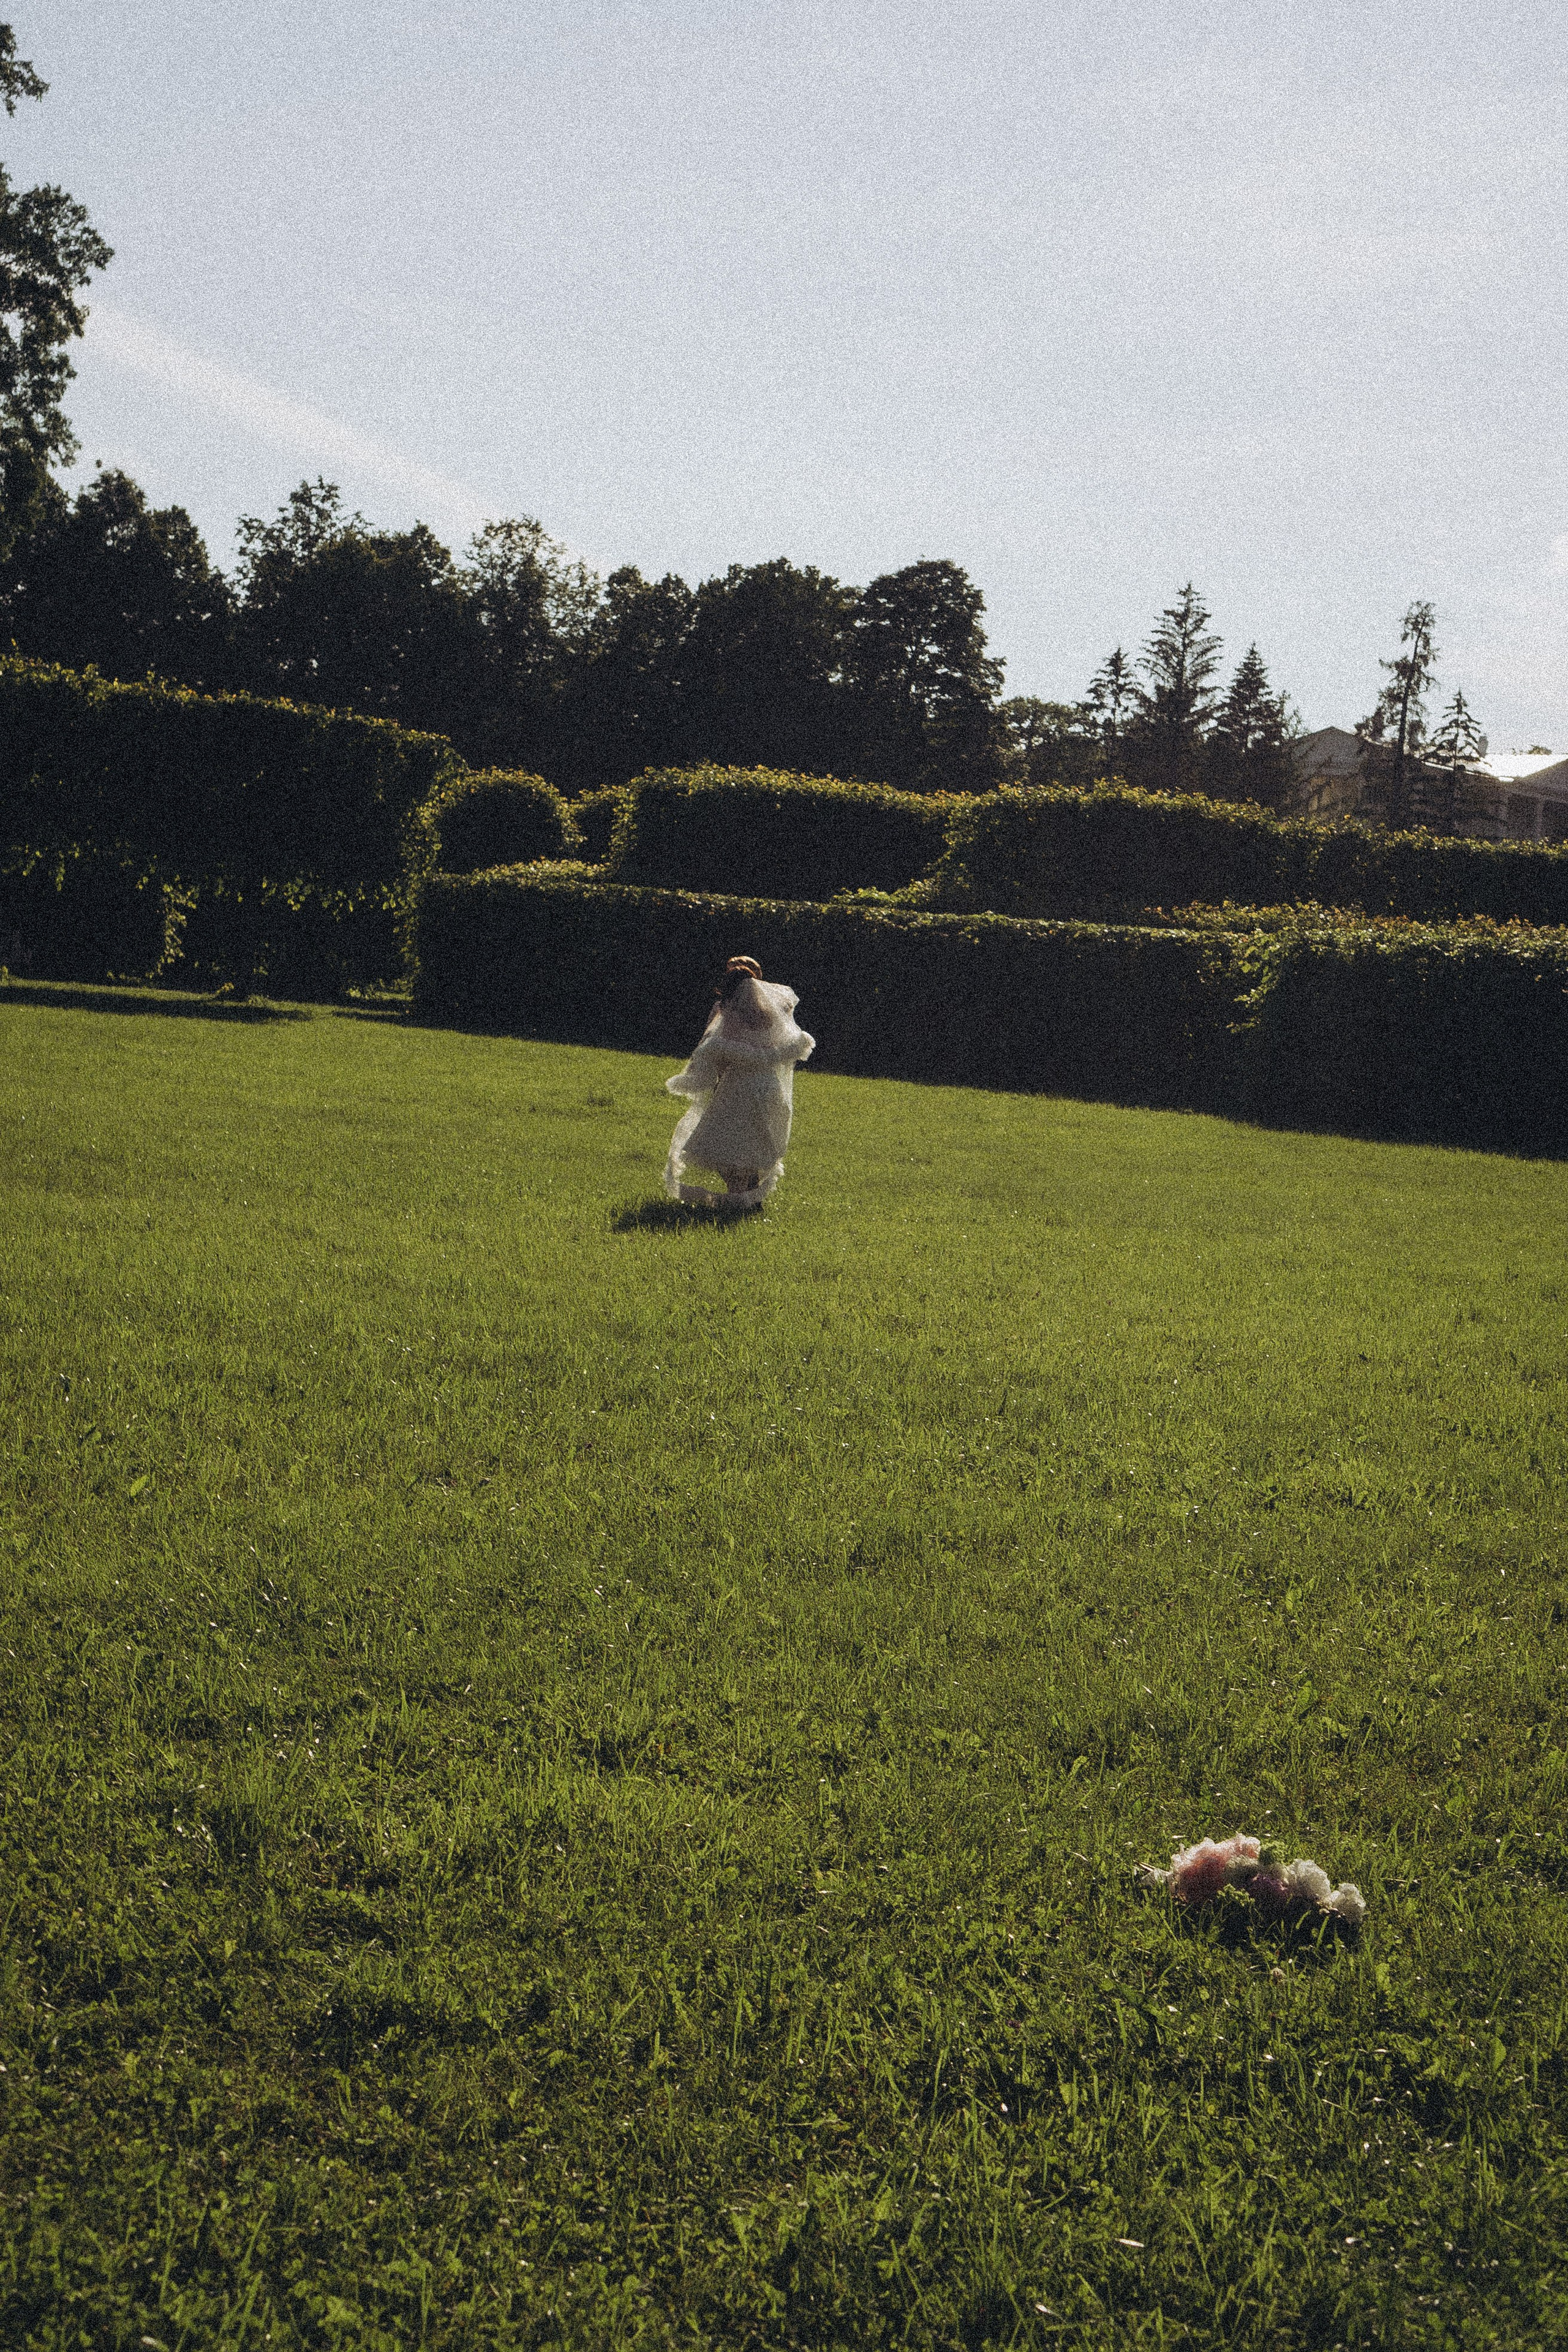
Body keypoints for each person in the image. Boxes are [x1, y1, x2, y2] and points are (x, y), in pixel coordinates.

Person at [664, 956, 815, 1208]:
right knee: (753, 1145)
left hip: (739, 1089)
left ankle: (739, 1202)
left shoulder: (730, 1016)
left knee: (728, 1148)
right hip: (770, 1089)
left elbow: (711, 1062)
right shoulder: (770, 1015)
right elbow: (789, 1046)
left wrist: (689, 1081)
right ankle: (750, 1198)